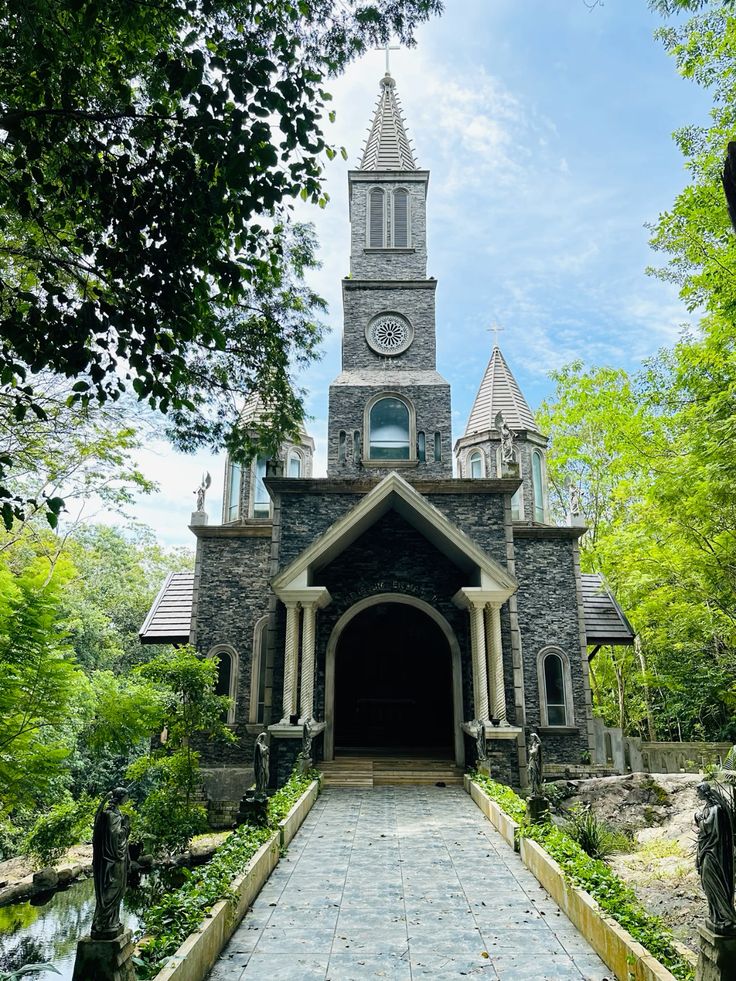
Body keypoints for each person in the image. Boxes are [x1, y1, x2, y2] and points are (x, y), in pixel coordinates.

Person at [695, 781, 736, 935]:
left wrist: (699, 819)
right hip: (707, 850)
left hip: (714, 853)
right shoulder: (709, 808)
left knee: (714, 882)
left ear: (704, 792)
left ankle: (726, 917)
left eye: (698, 791)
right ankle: (716, 915)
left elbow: (711, 830)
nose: (696, 794)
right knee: (708, 884)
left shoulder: (716, 809)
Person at [91, 787, 130, 939]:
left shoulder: (109, 814)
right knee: (112, 889)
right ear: (120, 797)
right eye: (126, 796)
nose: (127, 799)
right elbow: (116, 839)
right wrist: (126, 826)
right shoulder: (112, 816)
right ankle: (105, 923)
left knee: (112, 890)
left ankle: (110, 922)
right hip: (113, 860)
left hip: (110, 860)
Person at [527, 732, 543, 798]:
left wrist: (530, 750)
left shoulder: (537, 745)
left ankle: (537, 791)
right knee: (531, 776)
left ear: (535, 738)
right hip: (531, 762)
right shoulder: (533, 745)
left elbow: (534, 753)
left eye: (532, 737)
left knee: (535, 776)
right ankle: (533, 790)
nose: (531, 738)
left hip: (535, 763)